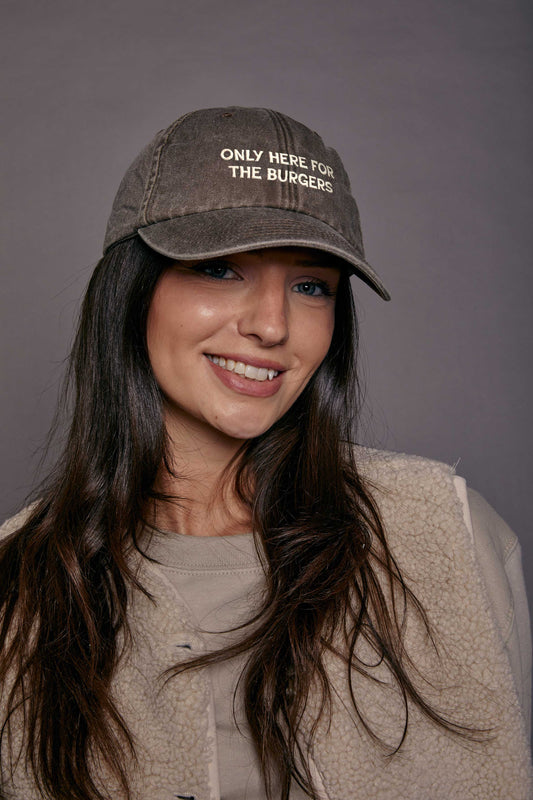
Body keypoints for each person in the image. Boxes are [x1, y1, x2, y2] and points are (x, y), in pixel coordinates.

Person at [0, 107, 530, 800]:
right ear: (131, 293)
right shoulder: (19, 589)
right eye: (219, 268)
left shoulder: (446, 534)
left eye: (311, 287)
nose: (272, 325)